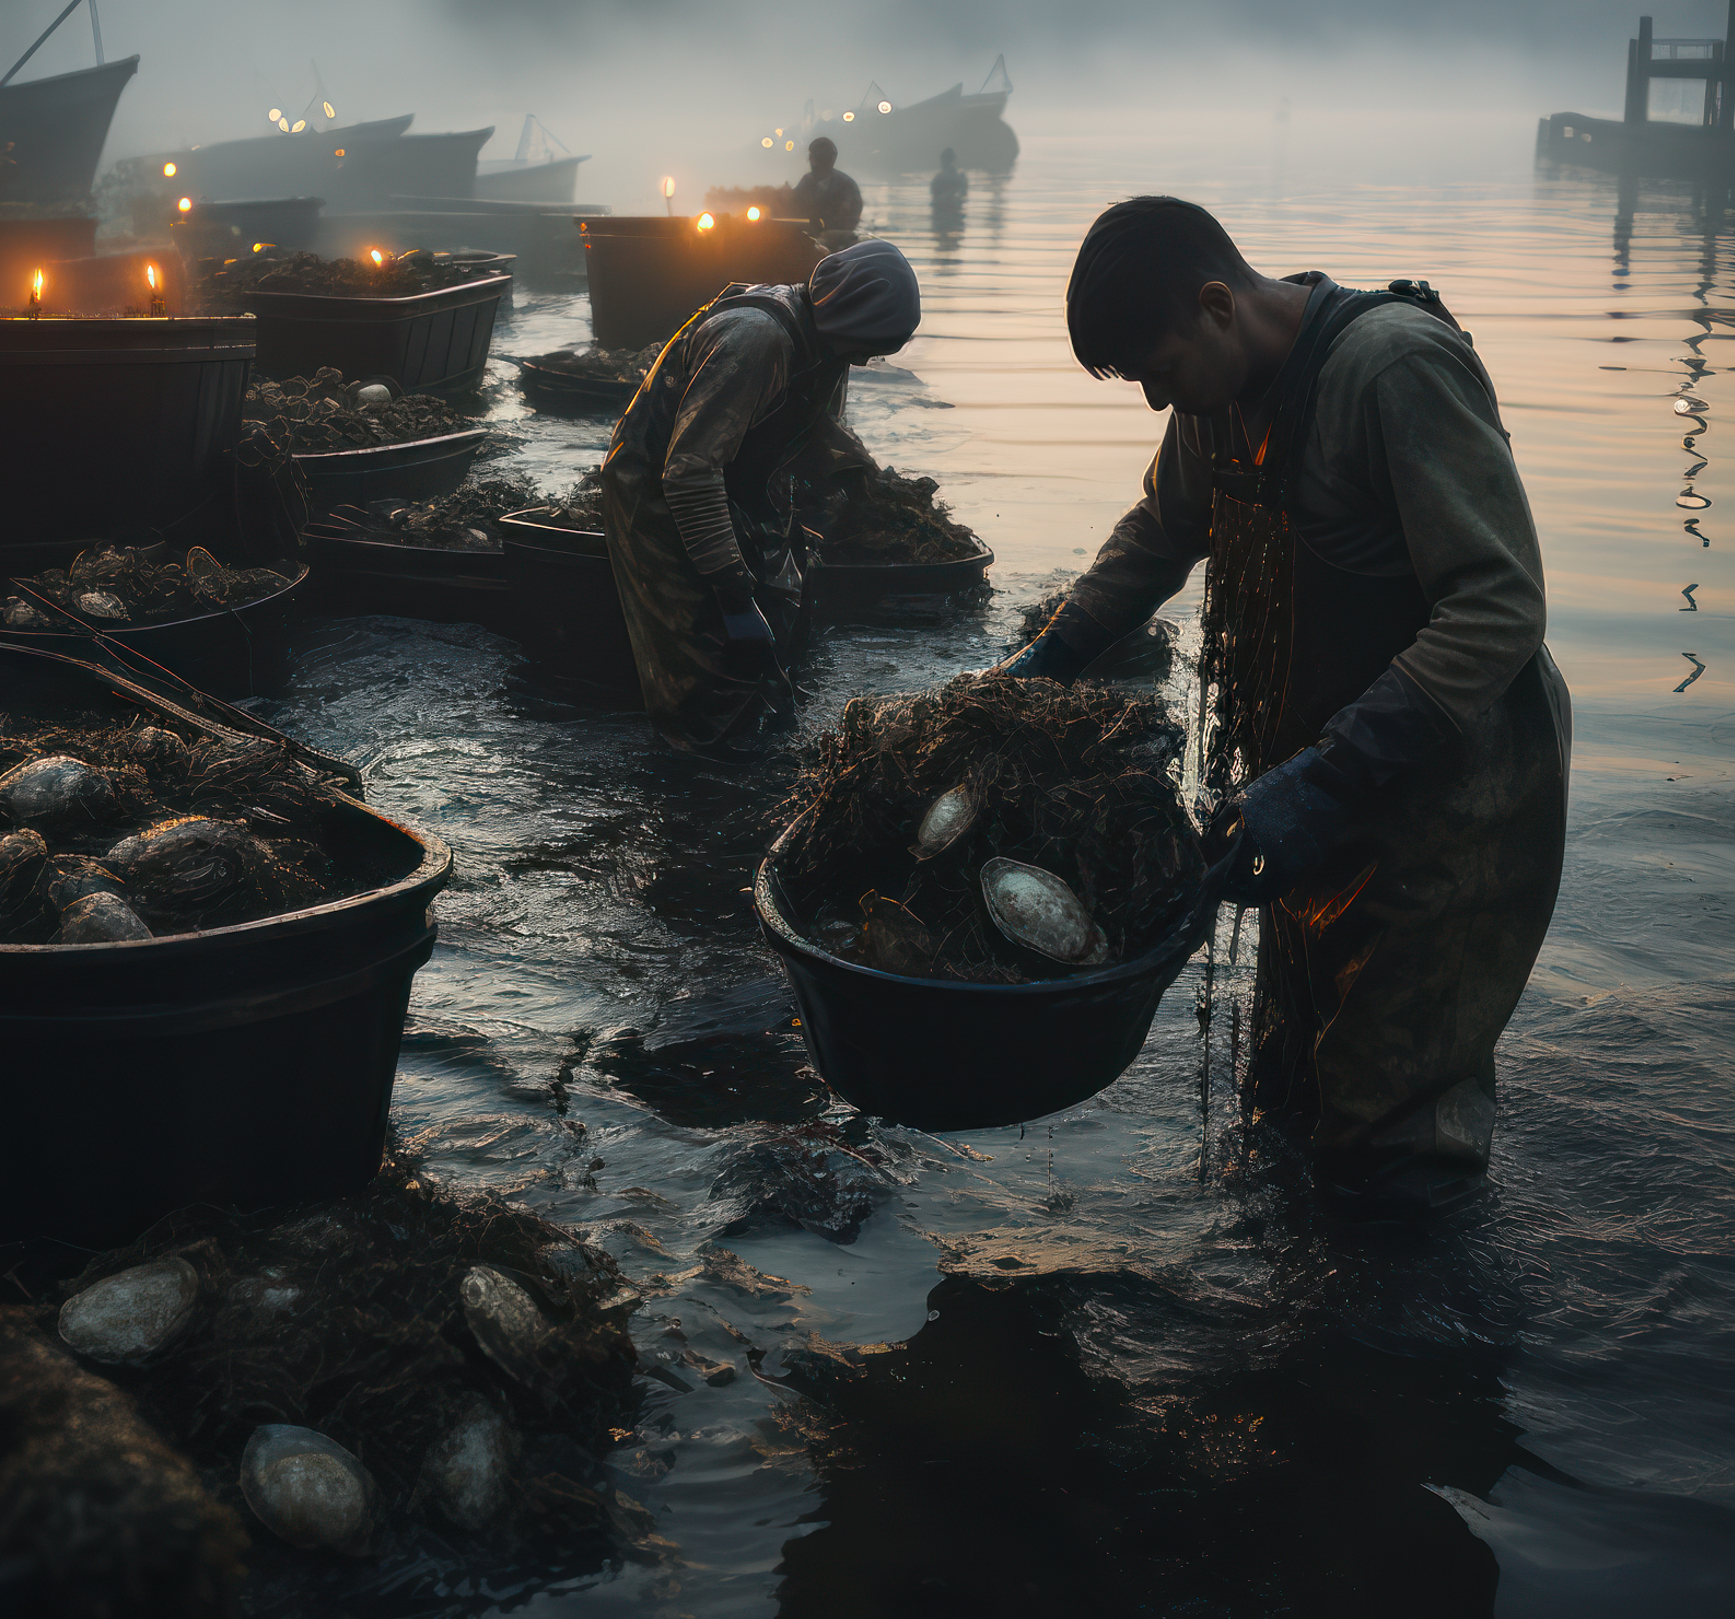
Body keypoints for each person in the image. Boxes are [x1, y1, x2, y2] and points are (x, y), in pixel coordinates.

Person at [1002, 196, 1569, 1219]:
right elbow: (1160, 531)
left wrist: (1328, 772)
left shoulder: (1392, 369)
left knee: (1392, 1128)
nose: (1154, 400)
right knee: (1292, 1088)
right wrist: (1049, 654)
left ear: (1216, 303)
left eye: (1158, 371)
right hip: (1316, 796)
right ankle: (1293, 1326)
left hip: (1453, 802)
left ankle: (1401, 1354)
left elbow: (1499, 603)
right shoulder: (1211, 401)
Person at [601, 238, 921, 756]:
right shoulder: (756, 340)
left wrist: (860, 481)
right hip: (658, 496)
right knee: (708, 665)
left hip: (735, 481)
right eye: (873, 343)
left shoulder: (827, 342)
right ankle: (693, 779)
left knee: (782, 622)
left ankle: (758, 740)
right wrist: (732, 592)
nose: (869, 359)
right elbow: (689, 471)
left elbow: (812, 429)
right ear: (850, 316)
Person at [790, 137, 864, 233]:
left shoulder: (846, 185)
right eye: (813, 158)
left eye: (821, 159)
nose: (815, 163)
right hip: (809, 234)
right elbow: (793, 205)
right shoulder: (807, 181)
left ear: (831, 160)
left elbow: (852, 219)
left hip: (837, 238)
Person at [928, 145, 969, 226]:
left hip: (943, 212)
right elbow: (963, 195)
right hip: (950, 212)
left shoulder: (939, 178)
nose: (942, 162)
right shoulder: (958, 177)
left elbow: (934, 199)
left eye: (943, 160)